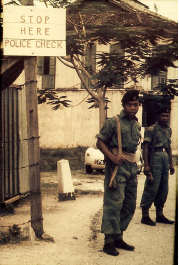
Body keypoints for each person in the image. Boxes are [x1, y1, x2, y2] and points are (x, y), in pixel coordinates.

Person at [96, 90, 141, 256]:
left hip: (131, 166)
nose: (133, 108)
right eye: (129, 104)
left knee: (129, 204)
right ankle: (108, 241)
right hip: (116, 167)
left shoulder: (136, 124)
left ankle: (118, 236)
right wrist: (112, 158)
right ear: (124, 105)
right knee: (114, 203)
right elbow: (100, 142)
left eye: (135, 105)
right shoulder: (113, 122)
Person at [140, 105, 175, 226]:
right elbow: (145, 147)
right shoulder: (151, 129)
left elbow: (169, 147)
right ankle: (145, 215)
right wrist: (146, 165)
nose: (165, 118)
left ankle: (159, 214)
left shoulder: (168, 130)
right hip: (155, 156)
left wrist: (171, 163)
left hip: (164, 157)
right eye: (163, 115)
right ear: (158, 116)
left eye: (167, 116)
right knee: (152, 186)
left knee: (163, 187)